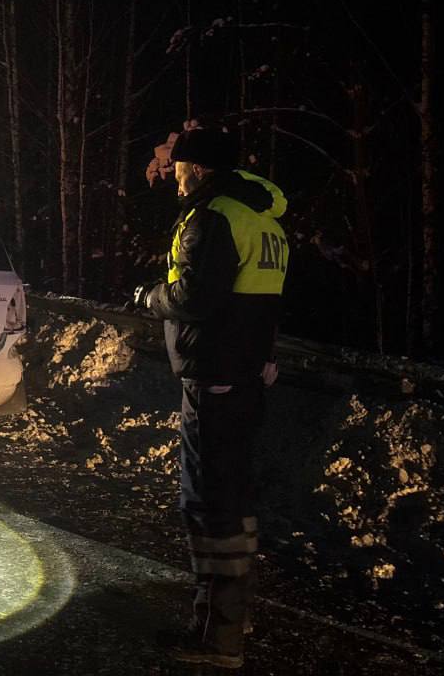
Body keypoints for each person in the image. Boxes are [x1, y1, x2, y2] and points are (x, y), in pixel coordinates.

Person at [132, 127, 288, 670]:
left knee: (206, 501)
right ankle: (232, 614)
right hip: (244, 374)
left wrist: (152, 296)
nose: (172, 175)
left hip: (214, 376)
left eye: (178, 166)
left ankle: (218, 639)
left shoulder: (213, 217)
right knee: (235, 498)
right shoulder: (262, 219)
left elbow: (196, 297)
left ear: (196, 168)